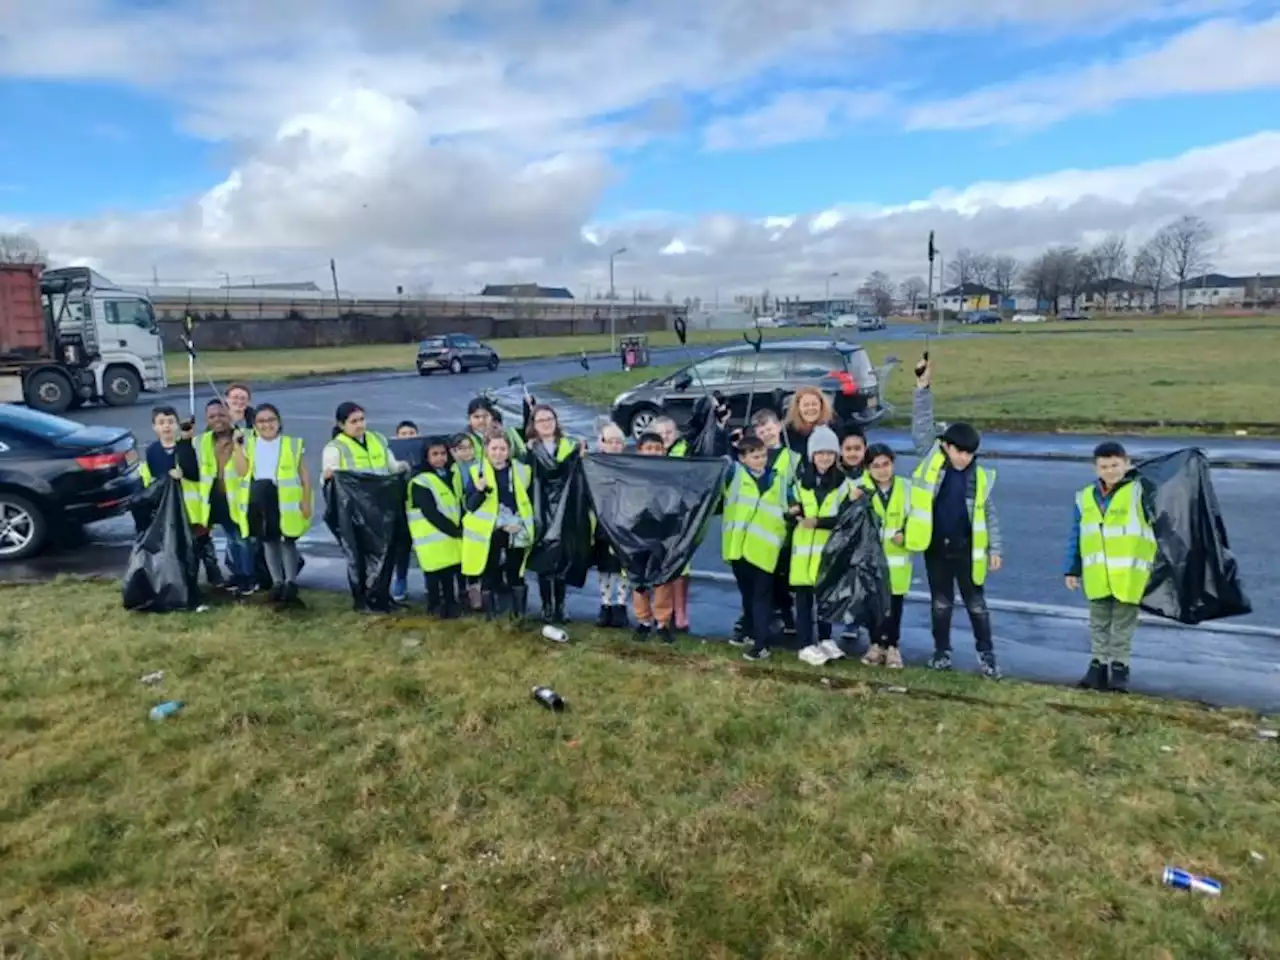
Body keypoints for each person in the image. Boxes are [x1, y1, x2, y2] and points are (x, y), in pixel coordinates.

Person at [906, 358, 1003, 679]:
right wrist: (922, 388)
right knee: (940, 604)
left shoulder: (980, 478)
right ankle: (942, 652)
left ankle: (987, 654)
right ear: (945, 447)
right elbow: (922, 425)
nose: (964, 458)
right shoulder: (932, 462)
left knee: (977, 605)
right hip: (935, 549)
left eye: (970, 453)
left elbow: (990, 515)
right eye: (959, 451)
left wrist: (995, 549)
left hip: (967, 551)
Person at [1064, 441, 1157, 694]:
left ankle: (1119, 668)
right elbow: (1078, 535)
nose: (1110, 471)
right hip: (1097, 576)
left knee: (1122, 626)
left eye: (1115, 465)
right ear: (1096, 468)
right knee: (1098, 624)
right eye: (1104, 466)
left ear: (1127, 464)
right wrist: (1072, 569)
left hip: (1129, 576)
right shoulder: (1084, 497)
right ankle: (1098, 667)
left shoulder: (1141, 492)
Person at [322, 402, 410, 613]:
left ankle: (383, 597)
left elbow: (390, 466)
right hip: (354, 513)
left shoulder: (377, 439)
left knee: (385, 554)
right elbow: (329, 478)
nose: (360, 425)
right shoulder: (336, 448)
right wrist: (330, 476)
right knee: (360, 556)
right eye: (354, 421)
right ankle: (365, 600)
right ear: (342, 425)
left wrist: (402, 468)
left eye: (362, 419)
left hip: (381, 508)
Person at [229, 403, 311, 606]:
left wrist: (306, 500)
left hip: (285, 498)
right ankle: (277, 583)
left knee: (287, 540)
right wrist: (237, 447)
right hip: (260, 497)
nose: (267, 425)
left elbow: (304, 475)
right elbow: (241, 471)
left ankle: (291, 582)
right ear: (255, 425)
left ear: (279, 421)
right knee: (268, 540)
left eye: (271, 419)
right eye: (261, 421)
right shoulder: (249, 444)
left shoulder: (291, 444)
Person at [789, 425, 857, 666]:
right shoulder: (799, 481)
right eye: (820, 453)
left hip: (828, 554)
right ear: (812, 455)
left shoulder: (844, 485)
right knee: (804, 602)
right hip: (802, 555)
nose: (825, 458)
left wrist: (817, 522)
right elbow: (788, 510)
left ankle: (826, 639)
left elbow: (847, 519)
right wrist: (793, 512)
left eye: (829, 453)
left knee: (827, 601)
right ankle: (806, 644)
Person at [723, 434, 788, 661]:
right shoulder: (734, 476)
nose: (760, 460)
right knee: (747, 595)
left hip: (765, 550)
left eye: (762, 456)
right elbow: (720, 460)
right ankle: (750, 632)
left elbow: (788, 504)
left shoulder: (777, 479)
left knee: (762, 599)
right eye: (754, 456)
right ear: (742, 458)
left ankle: (761, 644)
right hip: (739, 549)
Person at [461, 430, 534, 619]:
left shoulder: (522, 470)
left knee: (515, 571)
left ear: (509, 450)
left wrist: (520, 523)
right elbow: (470, 506)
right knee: (489, 571)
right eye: (494, 448)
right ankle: (491, 615)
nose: (498, 453)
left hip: (516, 528)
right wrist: (480, 491)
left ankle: (518, 614)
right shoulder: (477, 472)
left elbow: (529, 499)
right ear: (486, 450)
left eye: (503, 448)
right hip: (489, 531)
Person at [524, 403, 582, 624]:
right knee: (544, 559)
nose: (546, 423)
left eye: (550, 419)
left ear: (556, 421)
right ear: (534, 425)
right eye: (541, 420)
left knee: (562, 559)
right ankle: (546, 606)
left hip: (565, 508)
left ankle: (560, 605)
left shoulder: (570, 446)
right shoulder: (529, 451)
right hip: (540, 508)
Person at [193, 398, 255, 594]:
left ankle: (248, 578)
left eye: (221, 414)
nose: (217, 419)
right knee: (231, 538)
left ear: (230, 415)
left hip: (238, 498)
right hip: (216, 498)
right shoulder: (202, 441)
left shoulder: (243, 437)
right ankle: (237, 574)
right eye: (212, 416)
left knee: (242, 538)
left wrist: (242, 436)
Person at [859, 443, 911, 669]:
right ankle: (875, 644)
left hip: (897, 559)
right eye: (876, 466)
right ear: (868, 468)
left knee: (894, 606)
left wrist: (906, 535)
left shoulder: (906, 488)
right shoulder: (861, 489)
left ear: (893, 464)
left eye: (886, 464)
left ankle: (892, 646)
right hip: (870, 560)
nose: (882, 470)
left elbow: (917, 518)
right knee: (873, 606)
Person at [407, 436, 464, 618]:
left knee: (448, 573)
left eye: (443, 453)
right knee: (433, 575)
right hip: (431, 536)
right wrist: (454, 530)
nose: (440, 458)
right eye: (435, 454)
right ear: (426, 457)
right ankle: (434, 606)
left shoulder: (451, 475)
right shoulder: (420, 481)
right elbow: (430, 512)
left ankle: (451, 603)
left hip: (448, 536)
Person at [631, 432, 678, 643]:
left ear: (664, 451)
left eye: (658, 449)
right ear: (640, 450)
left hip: (662, 533)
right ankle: (643, 621)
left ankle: (663, 622)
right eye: (649, 448)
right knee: (638, 579)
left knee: (663, 579)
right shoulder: (629, 472)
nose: (653, 452)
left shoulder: (670, 474)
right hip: (635, 533)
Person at [136, 405, 202, 534]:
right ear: (154, 427)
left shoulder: (188, 446)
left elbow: (196, 473)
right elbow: (151, 480)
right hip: (166, 511)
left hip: (191, 513)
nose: (166, 426)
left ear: (177, 425)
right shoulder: (152, 451)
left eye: (171, 422)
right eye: (161, 423)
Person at [655, 415, 693, 632]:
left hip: (680, 516)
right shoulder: (650, 452)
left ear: (676, 433)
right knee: (659, 564)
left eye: (669, 432)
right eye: (661, 433)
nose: (665, 437)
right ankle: (663, 611)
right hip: (657, 515)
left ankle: (681, 612)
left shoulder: (686, 451)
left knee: (681, 566)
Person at [592, 422, 630, 628]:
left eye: (619, 442)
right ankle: (605, 604)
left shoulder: (631, 465)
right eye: (610, 441)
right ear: (601, 443)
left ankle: (621, 605)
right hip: (602, 522)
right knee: (604, 566)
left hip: (624, 524)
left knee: (623, 567)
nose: (615, 445)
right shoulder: (594, 464)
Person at [390, 419, 422, 602]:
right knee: (402, 547)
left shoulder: (425, 453)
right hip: (401, 507)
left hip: (422, 506)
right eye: (403, 434)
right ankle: (401, 580)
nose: (408, 437)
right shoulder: (391, 455)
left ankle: (431, 582)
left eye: (411, 433)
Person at [449, 433, 480, 611]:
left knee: (475, 554)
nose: (466, 452)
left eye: (469, 447)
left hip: (476, 516)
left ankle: (475, 589)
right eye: (461, 448)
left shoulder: (480, 467)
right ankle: (462, 590)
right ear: (454, 451)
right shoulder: (452, 470)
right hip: (459, 516)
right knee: (461, 556)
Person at [783, 386, 835, 455]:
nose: (810, 408)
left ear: (821, 406)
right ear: (798, 408)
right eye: (806, 405)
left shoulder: (833, 426)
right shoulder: (786, 433)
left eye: (814, 404)